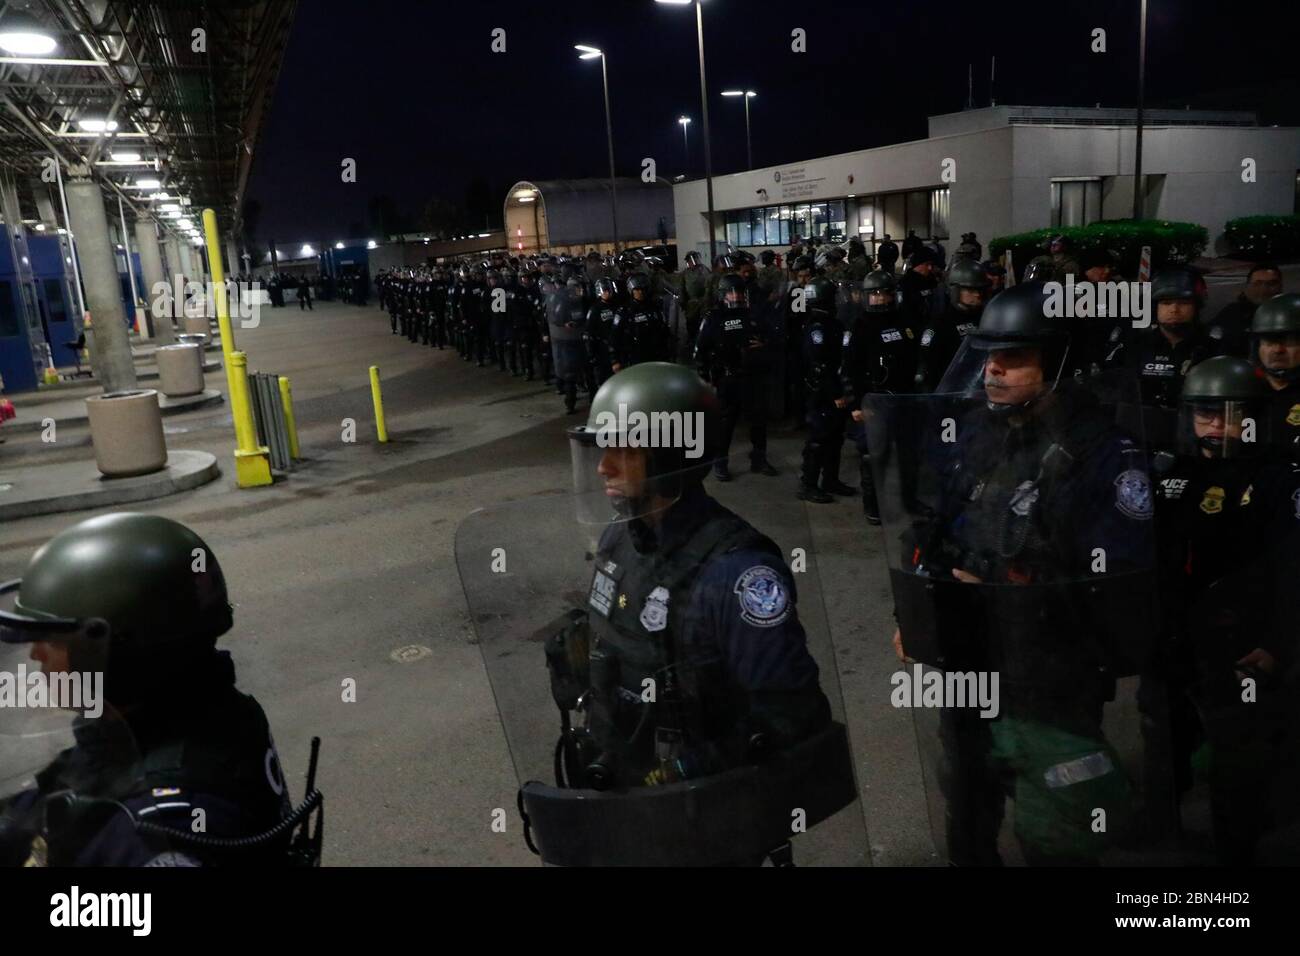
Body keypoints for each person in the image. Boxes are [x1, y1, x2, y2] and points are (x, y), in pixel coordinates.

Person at [524, 362, 851, 865]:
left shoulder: (736, 574)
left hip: (699, 816)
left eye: (623, 449)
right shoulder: (621, 537)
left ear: (674, 454)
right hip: (622, 791)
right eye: (601, 448)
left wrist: (688, 768)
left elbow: (795, 714)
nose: (602, 466)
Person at [890, 282, 1161, 866]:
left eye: (1013, 357)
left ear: (1062, 363)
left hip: (1052, 678)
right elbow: (929, 526)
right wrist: (914, 611)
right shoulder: (978, 434)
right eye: (988, 355)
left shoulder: (1106, 458)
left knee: (1055, 825)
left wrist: (1007, 594)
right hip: (969, 660)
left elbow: (1115, 590)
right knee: (967, 799)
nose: (993, 370)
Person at [0, 513, 323, 867]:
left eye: (52, 639)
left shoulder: (155, 830)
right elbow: (72, 784)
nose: (36, 653)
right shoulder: (190, 709)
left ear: (123, 656)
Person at [1149, 356, 1300, 864]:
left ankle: (1236, 854)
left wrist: (1279, 644)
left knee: (1239, 757)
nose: (1216, 426)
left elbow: (1292, 570)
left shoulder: (1279, 478)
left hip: (1243, 640)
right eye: (1205, 414)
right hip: (1174, 636)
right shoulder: (1171, 473)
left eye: (1229, 415)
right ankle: (1163, 828)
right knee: (1165, 739)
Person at [1112, 266, 1219, 451]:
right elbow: (1121, 394)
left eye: (1183, 303)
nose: (1174, 309)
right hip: (1141, 440)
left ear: (1197, 306)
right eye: (1166, 303)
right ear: (1155, 307)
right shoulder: (1137, 345)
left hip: (1196, 441)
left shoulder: (1214, 348)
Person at [840, 270, 916, 523]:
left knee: (907, 454)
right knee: (874, 454)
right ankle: (873, 505)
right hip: (873, 401)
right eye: (874, 294)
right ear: (865, 297)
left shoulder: (903, 322)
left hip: (903, 400)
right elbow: (849, 369)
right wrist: (855, 404)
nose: (880, 299)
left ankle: (908, 500)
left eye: (885, 293)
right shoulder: (860, 327)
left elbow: (913, 361)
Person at [694, 274, 779, 482]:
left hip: (752, 377)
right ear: (723, 295)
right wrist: (705, 379)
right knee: (725, 424)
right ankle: (720, 462)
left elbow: (773, 336)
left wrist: (765, 345)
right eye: (731, 292)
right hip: (727, 379)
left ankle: (759, 459)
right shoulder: (713, 318)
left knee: (758, 421)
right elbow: (699, 351)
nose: (736, 296)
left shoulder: (754, 314)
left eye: (739, 292)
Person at [798, 276, 854, 503]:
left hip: (834, 387)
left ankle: (830, 479)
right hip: (821, 392)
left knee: (835, 437)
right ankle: (808, 485)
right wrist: (835, 394)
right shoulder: (817, 328)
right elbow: (820, 365)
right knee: (818, 439)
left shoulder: (833, 323)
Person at [913, 259, 989, 392]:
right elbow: (927, 371)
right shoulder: (939, 325)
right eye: (970, 290)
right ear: (955, 290)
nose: (977, 295)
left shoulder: (988, 317)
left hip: (983, 390)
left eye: (979, 290)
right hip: (951, 394)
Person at [1249, 292, 1300, 462]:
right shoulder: (1243, 389)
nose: (1278, 350)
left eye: (1288, 341)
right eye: (1269, 341)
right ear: (1257, 346)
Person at [1207, 263, 1284, 357]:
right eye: (1257, 283)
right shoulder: (1231, 314)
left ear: (1281, 287)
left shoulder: (1291, 313)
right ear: (1247, 287)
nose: (1264, 289)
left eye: (1271, 284)